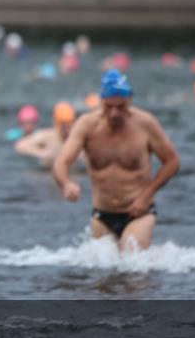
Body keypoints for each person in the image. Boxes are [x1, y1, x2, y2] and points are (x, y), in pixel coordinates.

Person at [53, 70, 180, 252]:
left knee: (131, 267)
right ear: (101, 101)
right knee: (103, 275)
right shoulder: (86, 125)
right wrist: (65, 184)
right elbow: (61, 163)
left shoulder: (146, 124)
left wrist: (147, 195)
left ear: (130, 100)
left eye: (120, 107)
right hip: (102, 215)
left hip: (139, 213)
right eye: (109, 106)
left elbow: (172, 161)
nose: (114, 113)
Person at [15, 101, 78, 168]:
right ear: (56, 124)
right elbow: (20, 146)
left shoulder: (77, 139)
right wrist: (42, 154)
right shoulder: (48, 136)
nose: (66, 129)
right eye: (63, 125)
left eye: (69, 124)